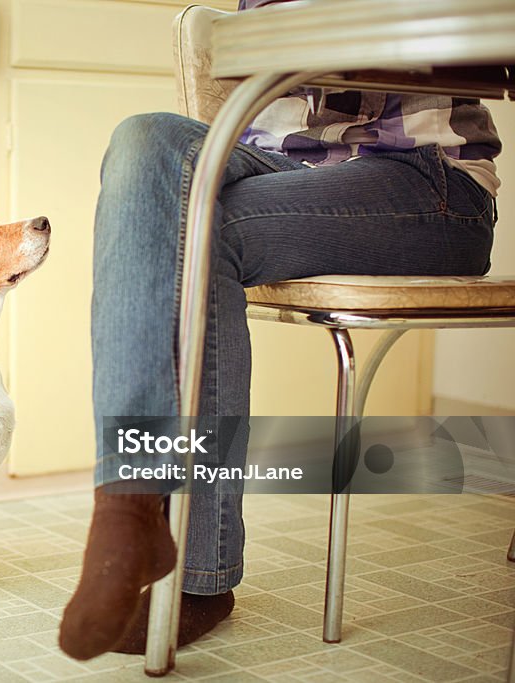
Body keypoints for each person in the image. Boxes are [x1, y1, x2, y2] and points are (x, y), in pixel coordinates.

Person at [58, 0, 501, 661]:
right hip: (278, 163)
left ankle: (195, 571)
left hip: (424, 178)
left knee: (198, 235)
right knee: (144, 138)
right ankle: (128, 503)